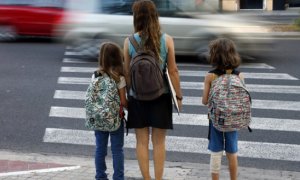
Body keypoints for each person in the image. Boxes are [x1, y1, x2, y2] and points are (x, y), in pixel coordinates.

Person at [123, 1, 182, 179]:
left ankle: (146, 178)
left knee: (141, 142)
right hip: (161, 95)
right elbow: (173, 71)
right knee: (159, 142)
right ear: (155, 16)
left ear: (136, 18)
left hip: (137, 97)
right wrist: (178, 96)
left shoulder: (129, 41)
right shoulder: (167, 40)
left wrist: (128, 96)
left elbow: (126, 72)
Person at [202, 38, 243, 180]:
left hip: (216, 120)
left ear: (215, 55)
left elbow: (204, 100)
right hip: (233, 119)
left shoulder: (210, 76)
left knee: (215, 151)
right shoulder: (239, 75)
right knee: (232, 152)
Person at [93, 42, 127, 180]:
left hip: (99, 117)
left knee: (100, 149)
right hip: (115, 118)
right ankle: (118, 177)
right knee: (117, 150)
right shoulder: (120, 77)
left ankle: (100, 176)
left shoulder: (95, 75)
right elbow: (123, 101)